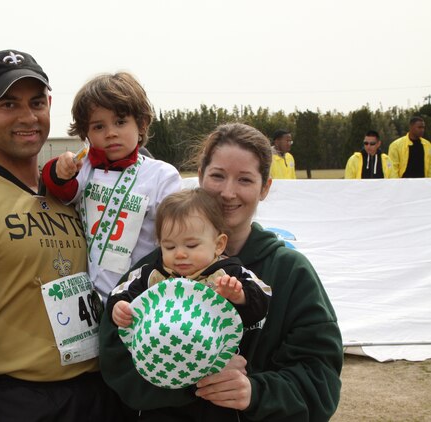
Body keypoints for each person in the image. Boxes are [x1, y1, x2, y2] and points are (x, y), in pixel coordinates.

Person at [0, 49, 133, 421]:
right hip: (15, 402)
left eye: (36, 102)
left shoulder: (73, 193)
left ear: (49, 104)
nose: (27, 117)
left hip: (98, 395)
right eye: (8, 104)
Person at [99, 123, 343, 421]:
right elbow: (115, 357)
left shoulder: (290, 272)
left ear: (264, 187)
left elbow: (320, 379)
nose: (228, 192)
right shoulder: (158, 266)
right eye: (217, 176)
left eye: (244, 179)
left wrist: (254, 392)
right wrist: (190, 378)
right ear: (200, 177)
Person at [41, 72, 181, 301]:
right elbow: (59, 187)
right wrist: (60, 169)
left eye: (120, 122)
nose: (111, 133)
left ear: (142, 124)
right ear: (86, 133)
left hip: (141, 297)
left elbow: (177, 235)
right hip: (88, 298)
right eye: (98, 127)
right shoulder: (84, 168)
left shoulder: (161, 176)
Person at [107, 187, 270, 332]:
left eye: (191, 245)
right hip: (160, 357)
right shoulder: (151, 276)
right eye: (170, 247)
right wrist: (118, 308)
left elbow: (263, 302)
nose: (180, 254)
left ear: (219, 244)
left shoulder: (229, 274)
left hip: (215, 356)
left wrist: (240, 297)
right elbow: (120, 293)